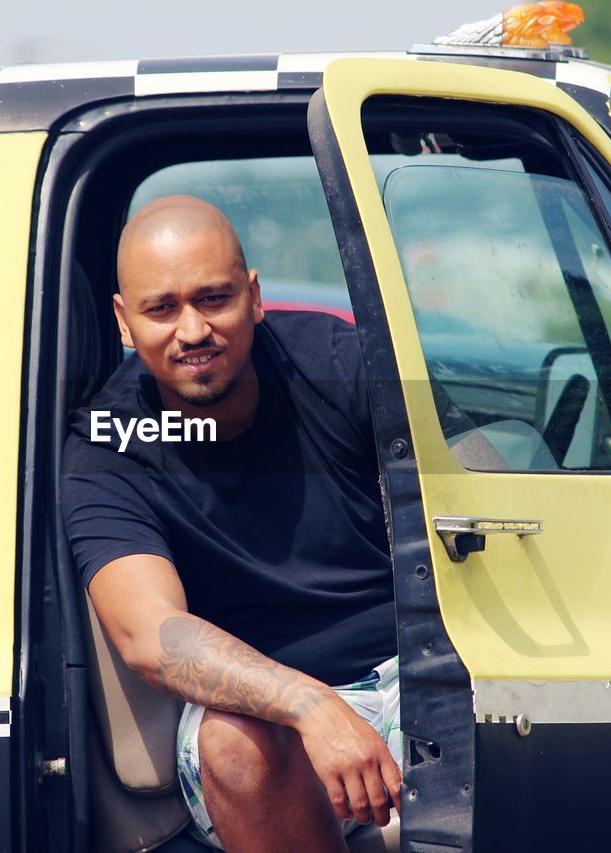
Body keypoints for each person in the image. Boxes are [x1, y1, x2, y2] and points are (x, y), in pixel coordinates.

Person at [62, 195, 401, 851]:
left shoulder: (340, 364)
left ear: (254, 296)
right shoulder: (108, 445)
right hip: (264, 714)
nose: (192, 330)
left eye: (213, 298)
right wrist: (310, 704)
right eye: (162, 308)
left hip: (411, 675)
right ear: (124, 321)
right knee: (237, 743)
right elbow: (153, 636)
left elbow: (466, 500)